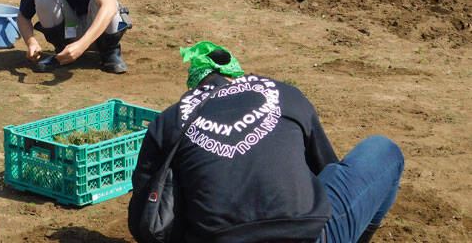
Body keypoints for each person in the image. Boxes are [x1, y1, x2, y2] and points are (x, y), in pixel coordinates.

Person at [128, 41, 403, 243]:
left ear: (194, 87)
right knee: (383, 150)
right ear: (236, 75)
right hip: (306, 236)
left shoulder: (170, 119)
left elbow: (142, 212)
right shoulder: (282, 92)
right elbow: (326, 168)